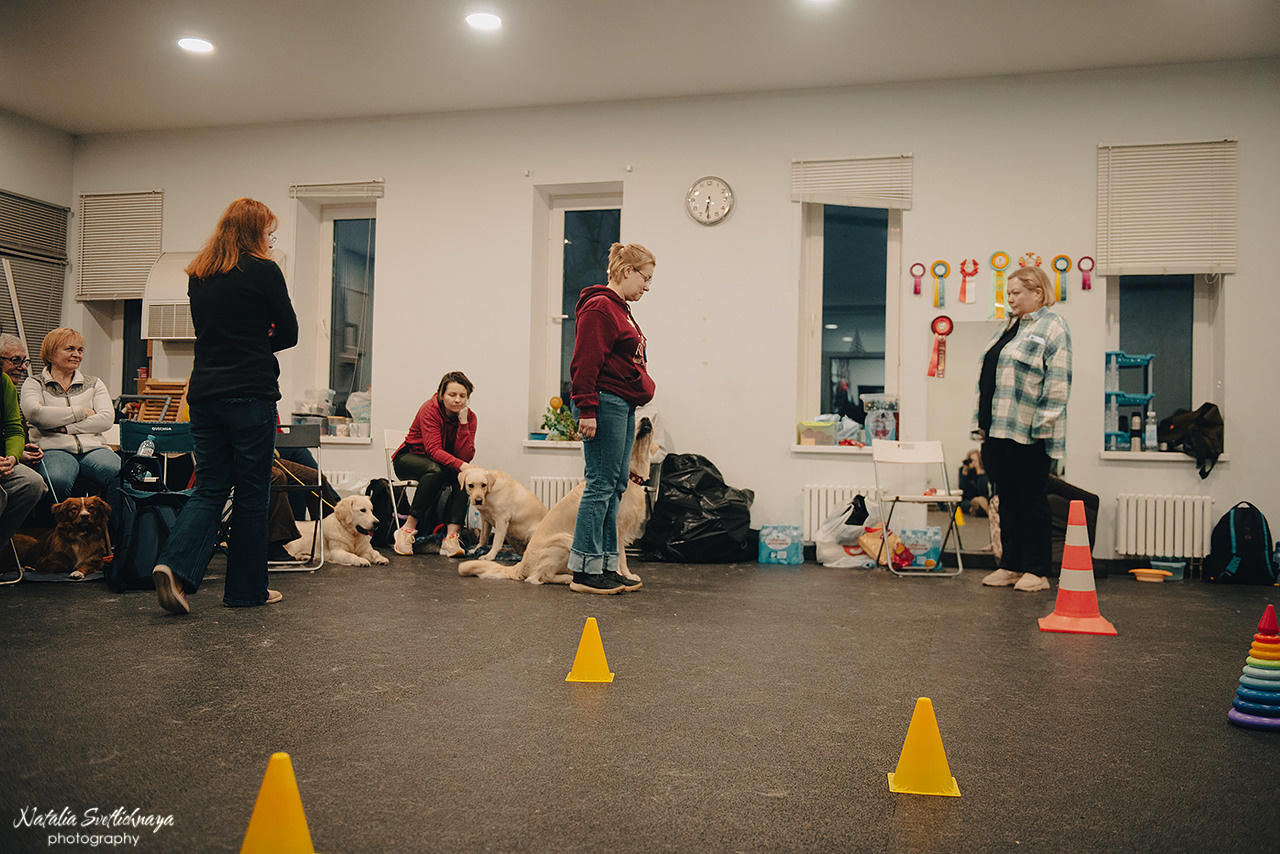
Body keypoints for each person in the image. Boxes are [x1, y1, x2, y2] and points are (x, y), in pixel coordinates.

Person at [151, 197, 298, 614]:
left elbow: (210, 332)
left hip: (204, 393)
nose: (270, 241)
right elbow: (289, 332)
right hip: (249, 392)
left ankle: (173, 565)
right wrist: (258, 341)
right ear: (256, 232)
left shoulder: (199, 274)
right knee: (252, 492)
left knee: (211, 486)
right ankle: (247, 591)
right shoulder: (265, 270)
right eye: (269, 233)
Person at [971, 266, 1072, 593]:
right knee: (1007, 500)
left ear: (1037, 293)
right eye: (1008, 293)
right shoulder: (1007, 327)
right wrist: (980, 426)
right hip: (995, 430)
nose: (1010, 299)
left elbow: (1058, 383)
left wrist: (1040, 427)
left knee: (1031, 499)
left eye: (1016, 293)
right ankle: (1010, 566)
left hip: (1028, 432)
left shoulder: (1053, 326)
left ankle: (1037, 571)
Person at [567, 242, 656, 594]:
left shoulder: (620, 309)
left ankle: (605, 564)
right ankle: (584, 570)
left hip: (621, 403)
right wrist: (587, 409)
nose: (647, 286)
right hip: (604, 402)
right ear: (626, 271)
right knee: (600, 485)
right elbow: (584, 362)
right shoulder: (600, 307)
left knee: (617, 484)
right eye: (645, 278)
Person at [20, 328, 120, 505]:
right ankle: (55, 524)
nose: (76, 354)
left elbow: (106, 419)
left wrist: (64, 428)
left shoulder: (94, 383)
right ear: (51, 353)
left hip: (94, 449)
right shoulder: (34, 383)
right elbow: (36, 415)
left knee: (119, 474)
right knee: (57, 480)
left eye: (80, 350)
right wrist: (81, 412)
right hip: (53, 449)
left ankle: (114, 523)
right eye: (70, 349)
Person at [391, 371, 477, 558]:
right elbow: (433, 450)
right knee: (436, 470)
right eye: (452, 394)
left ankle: (451, 538)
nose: (457, 400)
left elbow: (465, 456)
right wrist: (462, 465)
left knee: (464, 477)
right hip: (409, 459)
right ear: (441, 394)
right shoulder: (429, 409)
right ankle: (406, 530)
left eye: (462, 396)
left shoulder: (469, 417)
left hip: (440, 464)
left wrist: (463, 424)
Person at [0, 364, 46, 554]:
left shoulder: (3, 382)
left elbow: (13, 429)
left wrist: (12, 457)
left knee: (33, 483)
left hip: (2, 461)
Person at [0, 334, 42, 467]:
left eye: (24, 361)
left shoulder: (9, 389)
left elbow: (13, 430)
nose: (23, 367)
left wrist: (15, 453)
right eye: (15, 360)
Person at [958, 449, 990, 516]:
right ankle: (986, 512)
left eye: (975, 461)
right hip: (969, 499)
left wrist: (979, 471)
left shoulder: (983, 470)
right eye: (971, 460)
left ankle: (975, 510)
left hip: (982, 498)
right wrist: (965, 474)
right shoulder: (963, 470)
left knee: (981, 500)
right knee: (964, 504)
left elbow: (983, 491)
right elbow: (963, 489)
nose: (973, 463)